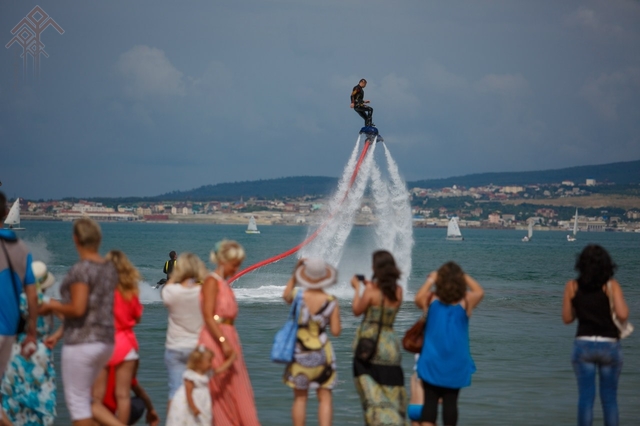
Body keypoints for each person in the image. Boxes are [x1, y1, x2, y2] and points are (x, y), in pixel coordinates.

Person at [38, 218, 123, 426]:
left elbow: (78, 309)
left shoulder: (81, 270)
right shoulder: (110, 269)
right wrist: (58, 334)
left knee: (79, 407)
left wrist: (52, 306)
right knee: (88, 404)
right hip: (106, 342)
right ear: (99, 239)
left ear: (75, 239)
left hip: (82, 342)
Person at [562, 244, 629, 426]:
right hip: (609, 344)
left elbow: (567, 318)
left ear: (581, 264)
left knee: (585, 399)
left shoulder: (572, 286)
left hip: (583, 344)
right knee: (609, 400)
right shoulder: (611, 286)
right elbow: (623, 315)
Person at [414, 261, 484, 426]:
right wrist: (463, 276)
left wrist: (431, 280)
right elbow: (480, 292)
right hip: (456, 363)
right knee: (451, 404)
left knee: (429, 404)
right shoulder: (466, 301)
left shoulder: (431, 299)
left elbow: (417, 298)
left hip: (431, 361)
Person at [198, 240, 260, 426]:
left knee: (239, 392)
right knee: (223, 395)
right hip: (216, 342)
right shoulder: (211, 282)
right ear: (223, 261)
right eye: (235, 263)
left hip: (229, 339)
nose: (237, 268)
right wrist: (224, 342)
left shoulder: (224, 284)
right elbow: (208, 316)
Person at [1, 261, 62, 426]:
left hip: (16, 354)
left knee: (13, 404)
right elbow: (73, 321)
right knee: (40, 404)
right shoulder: (48, 303)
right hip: (39, 354)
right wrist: (56, 336)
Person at [282, 258, 341, 426]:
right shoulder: (331, 301)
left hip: (299, 353)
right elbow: (336, 332)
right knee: (325, 398)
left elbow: (285, 295)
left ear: (305, 277)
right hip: (322, 354)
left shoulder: (298, 297)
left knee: (300, 399)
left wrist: (295, 273)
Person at [351, 250, 406, 425]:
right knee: (392, 393)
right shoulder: (398, 291)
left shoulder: (370, 291)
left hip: (369, 346)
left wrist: (358, 288)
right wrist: (370, 286)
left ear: (375, 268)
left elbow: (357, 310)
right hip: (391, 347)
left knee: (371, 399)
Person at [0, 191, 38, 426]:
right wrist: (32, 331)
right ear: (6, 213)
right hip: (10, 334)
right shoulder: (19, 247)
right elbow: (32, 297)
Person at [99, 250, 144, 424]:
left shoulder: (99, 291)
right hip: (126, 344)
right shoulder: (130, 291)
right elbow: (138, 317)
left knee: (97, 397)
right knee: (123, 395)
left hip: (104, 343)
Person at [161, 253, 208, 407]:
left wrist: (173, 278)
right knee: (199, 390)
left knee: (174, 391)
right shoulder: (202, 293)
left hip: (175, 347)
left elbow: (165, 274)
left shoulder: (170, 282)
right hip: (196, 347)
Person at [166, 345, 236, 426]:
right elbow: (188, 393)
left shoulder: (206, 374)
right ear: (199, 363)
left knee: (203, 419)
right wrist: (193, 407)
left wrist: (231, 359)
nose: (211, 364)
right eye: (209, 361)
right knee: (190, 419)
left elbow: (221, 369)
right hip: (191, 402)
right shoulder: (190, 375)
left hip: (202, 401)